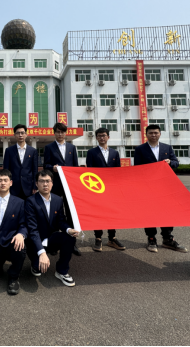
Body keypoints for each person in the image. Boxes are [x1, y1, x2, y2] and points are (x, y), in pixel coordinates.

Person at [133, 125, 187, 254]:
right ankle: (151, 238)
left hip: (165, 186)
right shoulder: (140, 149)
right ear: (146, 134)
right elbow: (137, 168)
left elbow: (176, 163)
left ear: (160, 134)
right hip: (148, 187)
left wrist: (170, 162)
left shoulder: (166, 147)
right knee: (150, 212)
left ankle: (167, 238)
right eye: (151, 133)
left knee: (167, 212)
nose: (153, 135)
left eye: (156, 133)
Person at [25, 170, 79, 287]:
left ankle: (61, 271)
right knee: (38, 268)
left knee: (69, 238)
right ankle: (35, 261)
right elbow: (32, 230)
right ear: (36, 184)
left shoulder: (58, 200)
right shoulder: (30, 201)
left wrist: (69, 229)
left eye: (48, 181)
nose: (45, 184)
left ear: (52, 183)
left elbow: (61, 221)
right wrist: (42, 252)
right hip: (35, 241)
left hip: (50, 239)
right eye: (42, 181)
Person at [43, 123, 81, 257]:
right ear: (54, 133)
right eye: (58, 132)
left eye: (62, 132)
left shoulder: (72, 147)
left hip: (69, 186)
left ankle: (72, 242)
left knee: (71, 213)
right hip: (55, 185)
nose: (60, 134)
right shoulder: (49, 147)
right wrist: (51, 168)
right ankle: (53, 242)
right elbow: (45, 165)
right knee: (54, 213)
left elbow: (75, 167)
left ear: (66, 133)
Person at [86, 128, 126, 252]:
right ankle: (98, 238)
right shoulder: (91, 152)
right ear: (96, 138)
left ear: (108, 137)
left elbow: (118, 171)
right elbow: (89, 171)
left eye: (103, 135)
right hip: (97, 188)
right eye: (99, 136)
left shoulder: (115, 153)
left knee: (111, 212)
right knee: (98, 213)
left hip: (111, 188)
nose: (101, 138)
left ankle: (112, 238)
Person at [3, 124, 39, 201]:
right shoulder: (9, 150)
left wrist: (35, 186)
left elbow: (35, 170)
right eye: (18, 133)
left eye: (22, 133)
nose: (20, 135)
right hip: (13, 186)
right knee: (15, 207)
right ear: (14, 135)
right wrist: (6, 185)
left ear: (26, 134)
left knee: (28, 207)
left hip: (28, 186)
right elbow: (6, 170)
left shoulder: (33, 151)